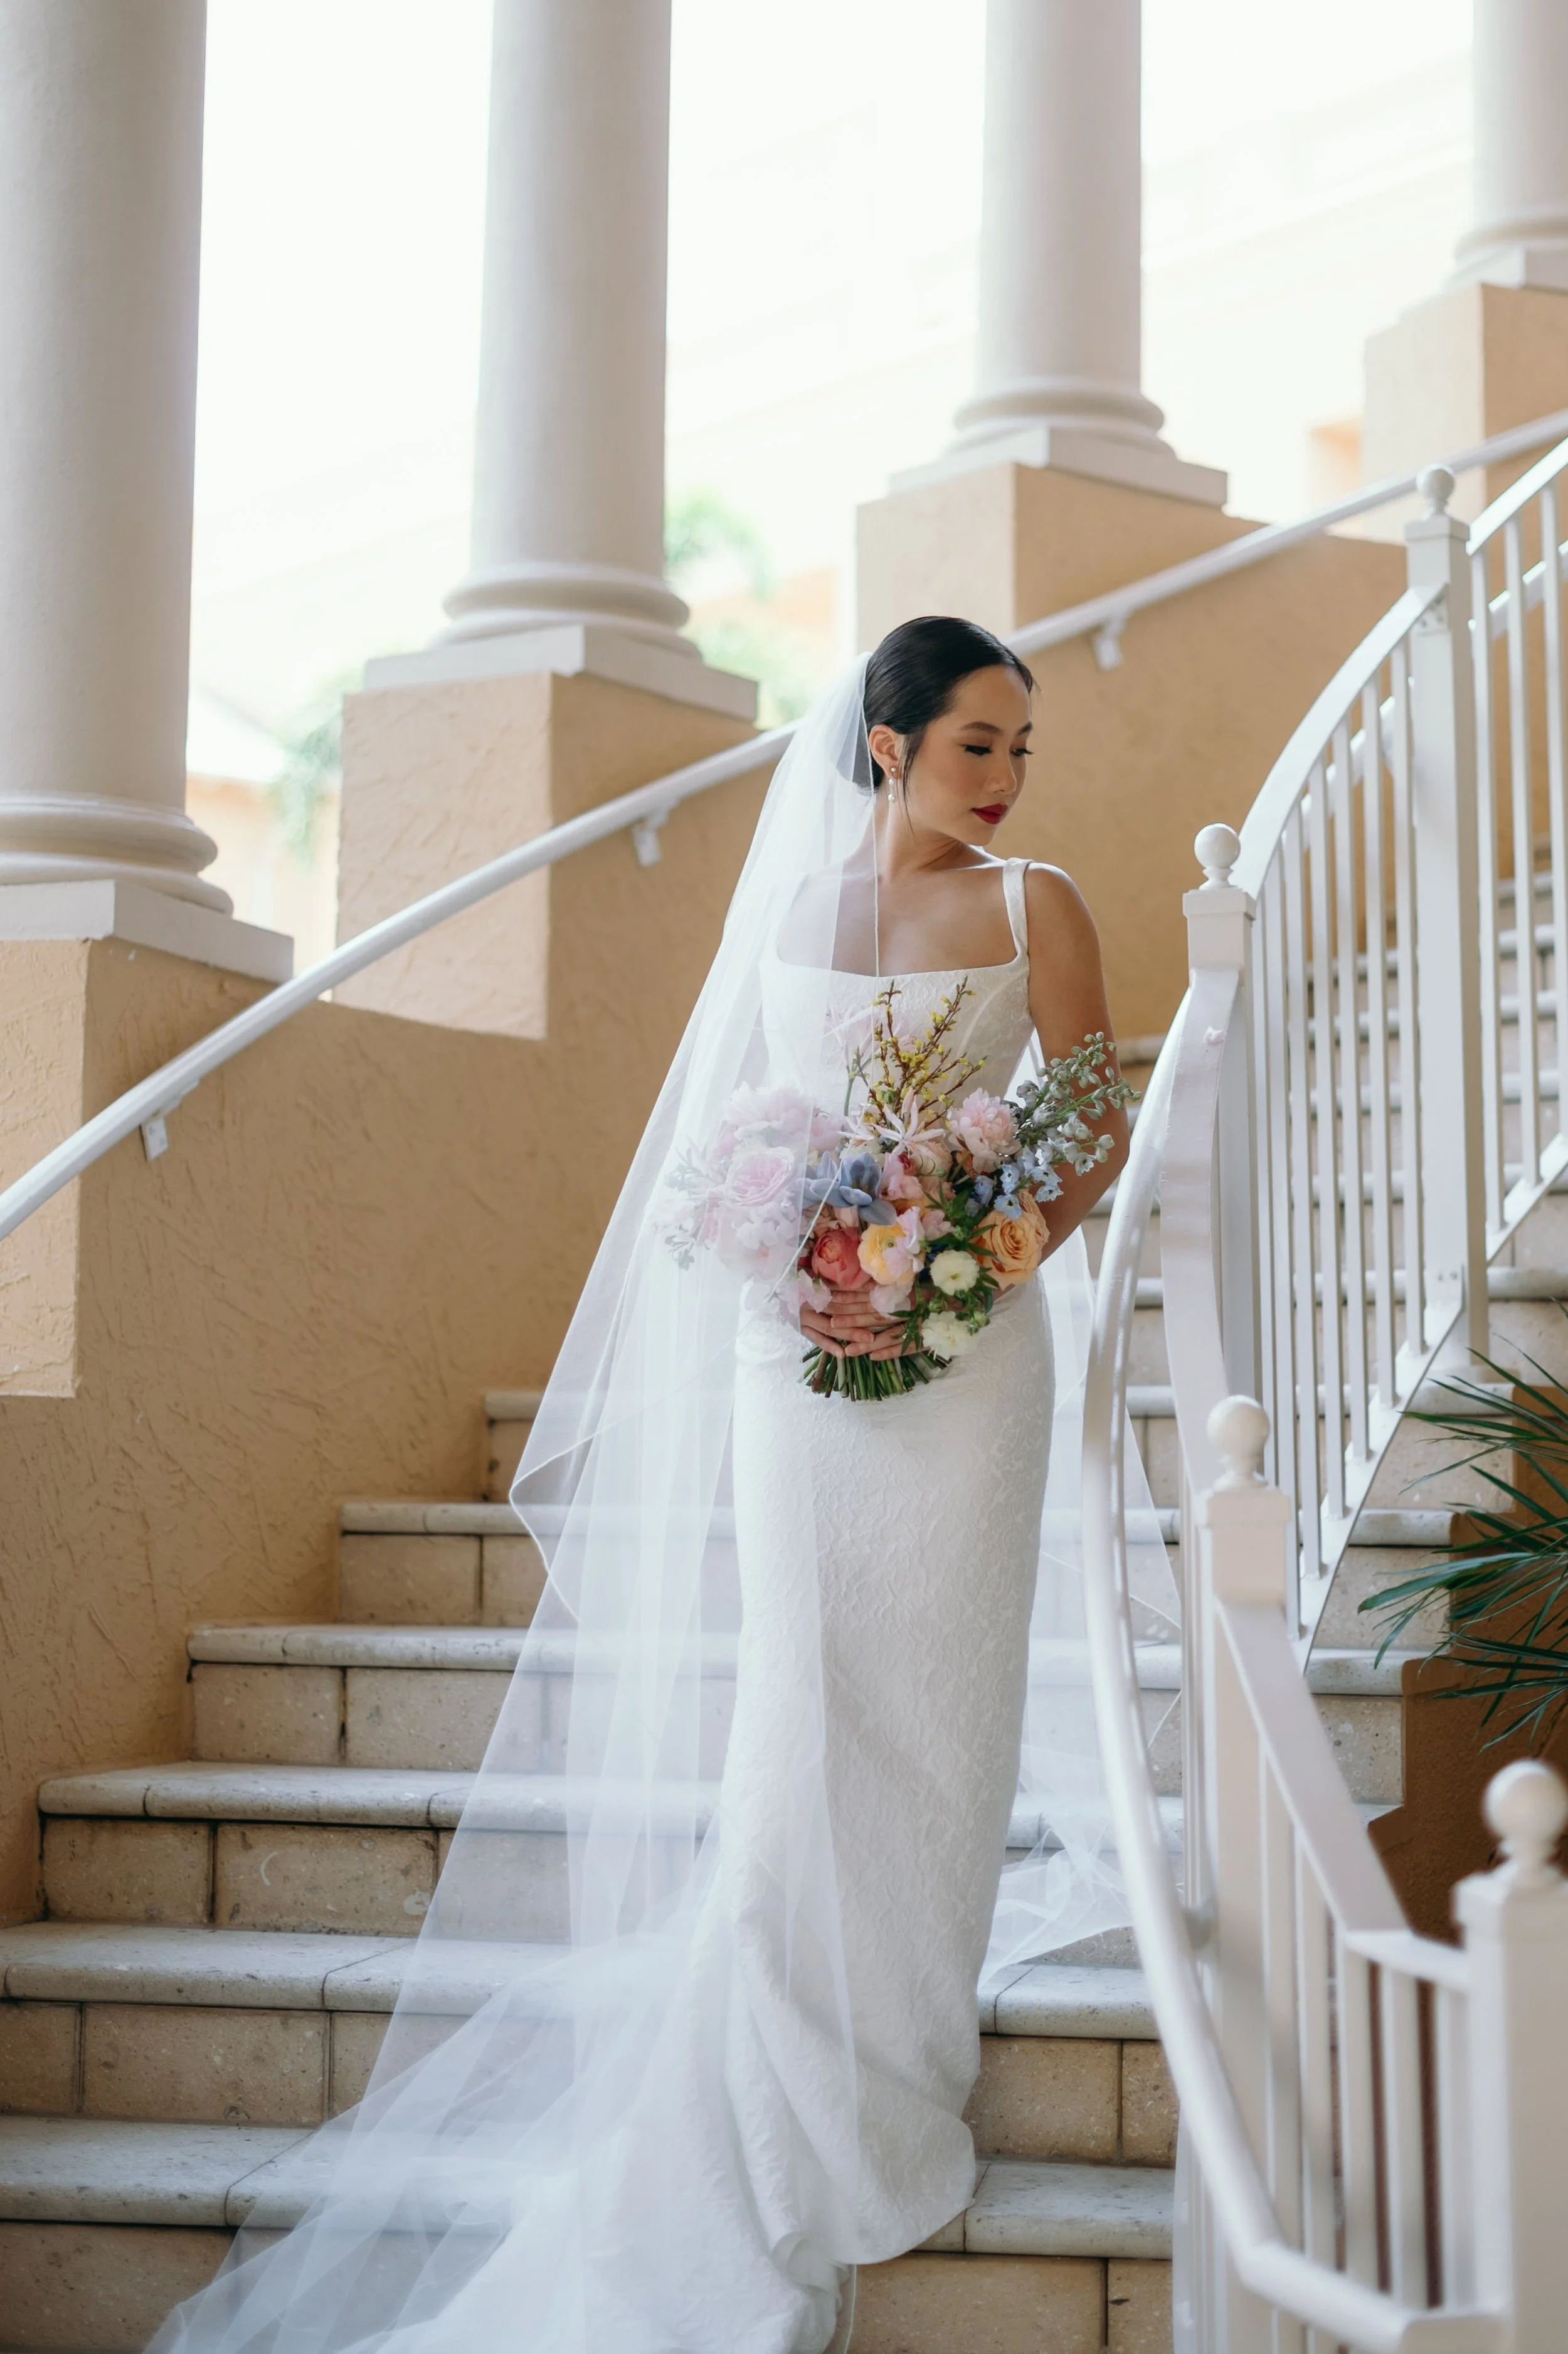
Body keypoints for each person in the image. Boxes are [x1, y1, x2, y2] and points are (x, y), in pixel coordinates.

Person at [154, 618, 1173, 2354]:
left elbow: (1088, 1123)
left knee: (937, 1709)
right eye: (972, 746)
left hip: (971, 1362)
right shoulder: (785, 922)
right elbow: (747, 1150)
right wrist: (814, 1261)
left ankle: (897, 2065)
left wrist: (964, 1251)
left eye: (1019, 749)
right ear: (882, 742)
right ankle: (773, 2078)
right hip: (796, 1376)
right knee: (801, 1704)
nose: (1003, 780)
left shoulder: (1034, 909)